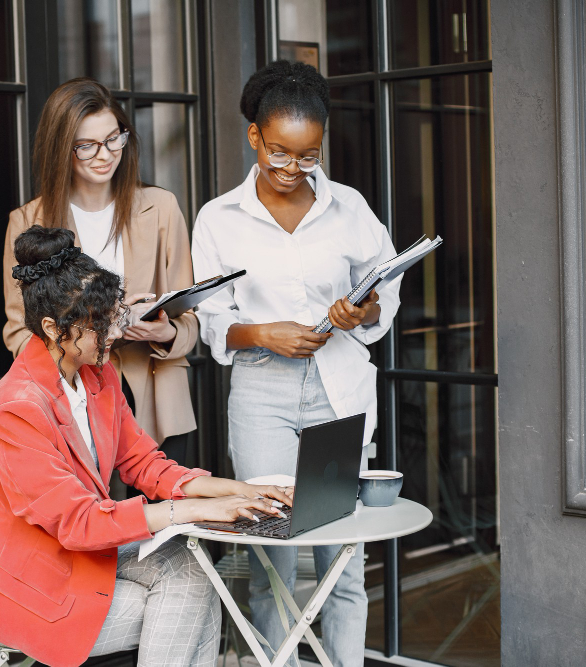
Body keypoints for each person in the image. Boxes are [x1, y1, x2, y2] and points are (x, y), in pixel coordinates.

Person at [0, 225, 294, 667]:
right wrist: (193, 510)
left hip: (81, 558)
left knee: (193, 577)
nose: (114, 335)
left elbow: (144, 464)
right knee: (190, 602)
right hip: (31, 586)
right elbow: (78, 521)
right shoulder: (16, 410)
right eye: (99, 326)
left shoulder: (97, 375)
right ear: (52, 328)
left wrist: (239, 492)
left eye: (113, 318)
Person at [191, 60, 402, 667]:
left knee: (342, 562)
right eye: (278, 152)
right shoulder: (219, 218)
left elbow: (384, 290)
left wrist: (359, 314)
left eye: (307, 156)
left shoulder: (350, 208)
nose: (291, 169)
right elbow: (210, 320)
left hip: (337, 390)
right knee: (270, 566)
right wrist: (264, 333)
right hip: (261, 397)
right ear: (254, 136)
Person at [2, 77, 197, 470]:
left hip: (156, 394)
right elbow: (18, 330)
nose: (105, 154)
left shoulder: (160, 208)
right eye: (87, 145)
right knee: (94, 523)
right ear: (62, 148)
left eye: (114, 139)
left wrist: (167, 332)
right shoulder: (28, 222)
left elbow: (189, 315)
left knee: (171, 517)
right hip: (71, 396)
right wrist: (79, 346)